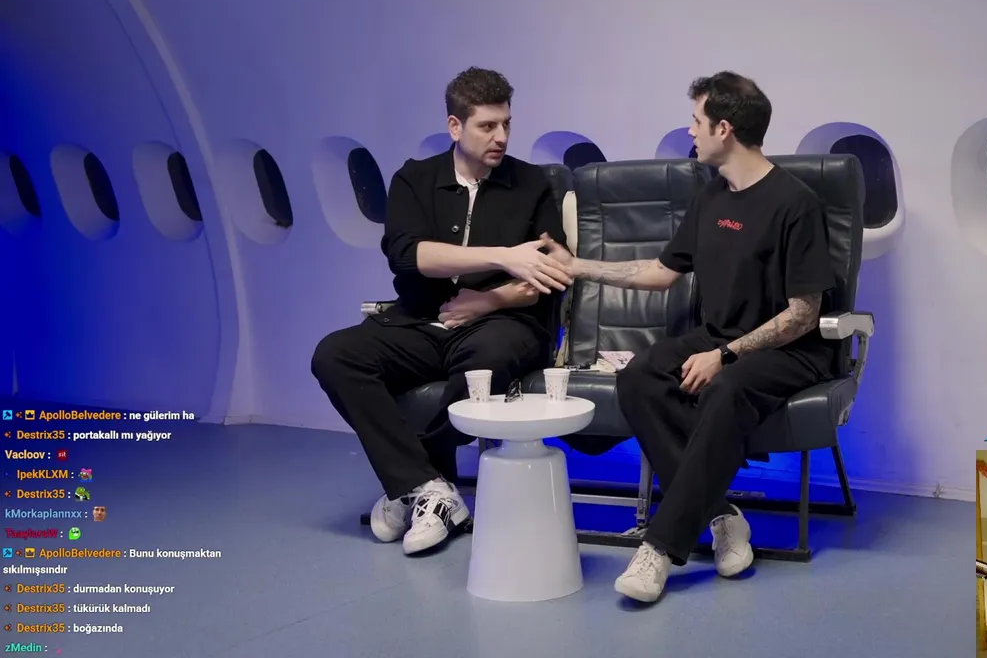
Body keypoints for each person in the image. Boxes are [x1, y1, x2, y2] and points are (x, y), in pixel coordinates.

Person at [541, 71, 839, 601]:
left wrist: (723, 354)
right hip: (720, 336)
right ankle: (721, 515)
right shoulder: (711, 197)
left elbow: (803, 314)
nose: (690, 131)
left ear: (724, 129)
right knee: (639, 378)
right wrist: (578, 266)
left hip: (792, 351)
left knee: (725, 388)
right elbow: (662, 272)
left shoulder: (796, 203)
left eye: (697, 121)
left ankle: (660, 548)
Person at [312, 67, 571, 555]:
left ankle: (412, 488)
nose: (501, 137)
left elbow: (545, 277)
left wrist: (487, 299)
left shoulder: (531, 183)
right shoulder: (414, 179)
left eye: (506, 124)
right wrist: (503, 256)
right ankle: (426, 487)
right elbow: (408, 255)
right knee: (335, 355)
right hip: (420, 320)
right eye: (487, 126)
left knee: (486, 360)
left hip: (502, 322)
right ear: (455, 126)